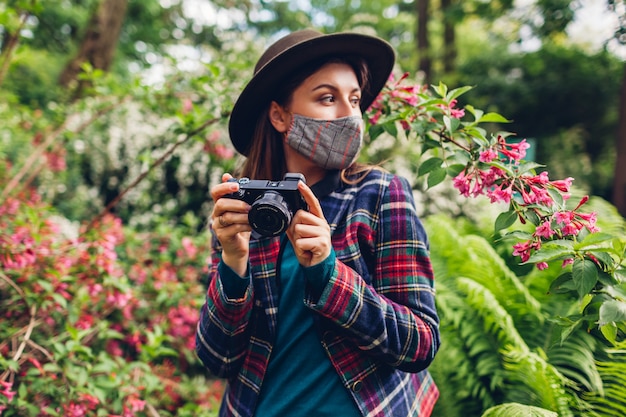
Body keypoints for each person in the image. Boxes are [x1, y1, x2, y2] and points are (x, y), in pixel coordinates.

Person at [195, 29, 440, 417]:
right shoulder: (243, 211)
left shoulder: (380, 195)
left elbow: (419, 343)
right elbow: (216, 360)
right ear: (280, 115)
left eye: (354, 99)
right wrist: (232, 266)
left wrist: (329, 274)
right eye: (328, 98)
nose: (349, 114)